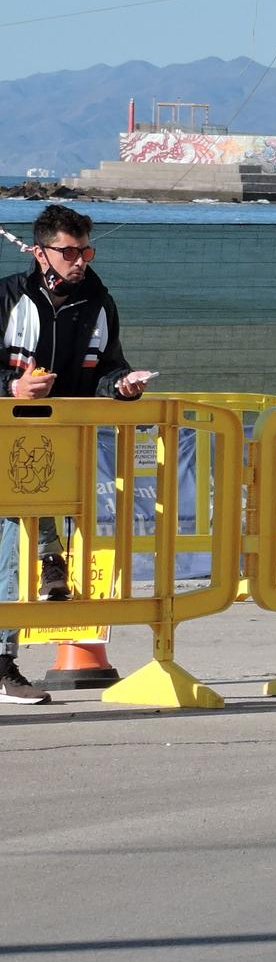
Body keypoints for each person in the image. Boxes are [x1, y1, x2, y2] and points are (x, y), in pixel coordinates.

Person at [0, 205, 152, 704]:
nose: (80, 260)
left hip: (56, 447)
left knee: (16, 542)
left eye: (85, 249)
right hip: (8, 439)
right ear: (40, 252)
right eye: (69, 251)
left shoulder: (99, 302)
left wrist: (122, 386)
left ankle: (48, 564)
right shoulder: (8, 298)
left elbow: (109, 366)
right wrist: (11, 385)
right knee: (9, 546)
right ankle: (46, 568)